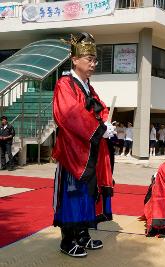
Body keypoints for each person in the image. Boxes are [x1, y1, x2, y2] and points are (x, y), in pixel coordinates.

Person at [52, 32, 115, 258]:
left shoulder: (88, 86)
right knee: (72, 194)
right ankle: (67, 240)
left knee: (88, 193)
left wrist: (106, 123)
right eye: (89, 59)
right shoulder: (64, 84)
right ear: (75, 59)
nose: (93, 64)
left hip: (88, 149)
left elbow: (99, 108)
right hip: (72, 151)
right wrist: (99, 128)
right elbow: (70, 115)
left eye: (95, 60)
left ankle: (82, 234)